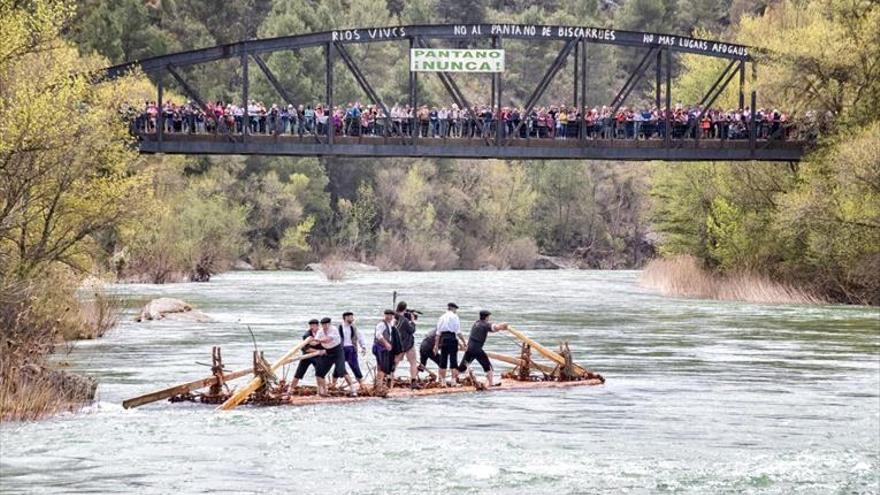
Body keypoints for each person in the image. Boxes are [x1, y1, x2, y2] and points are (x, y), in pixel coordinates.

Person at [457, 310, 508, 387]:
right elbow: (495, 327)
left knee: (462, 367)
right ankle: (491, 383)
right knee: (488, 366)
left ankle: (453, 380)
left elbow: (493, 329)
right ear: (487, 317)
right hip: (477, 349)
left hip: (469, 348)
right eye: (489, 317)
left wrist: (500, 329)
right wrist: (503, 325)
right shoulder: (485, 324)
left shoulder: (476, 323)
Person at [314, 317, 356, 397]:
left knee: (341, 370)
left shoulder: (334, 329)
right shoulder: (320, 331)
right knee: (319, 373)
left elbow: (327, 340)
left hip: (337, 351)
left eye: (327, 324)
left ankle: (353, 390)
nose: (325, 326)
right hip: (327, 352)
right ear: (321, 325)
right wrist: (311, 341)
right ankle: (323, 392)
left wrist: (317, 340)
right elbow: (315, 342)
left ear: (329, 324)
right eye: (323, 324)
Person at [287, 319, 325, 392]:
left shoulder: (322, 333)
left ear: (318, 326)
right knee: (299, 373)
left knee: (320, 373)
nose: (312, 327)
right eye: (311, 325)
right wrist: (318, 351)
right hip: (307, 356)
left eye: (314, 325)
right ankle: (290, 390)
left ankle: (321, 390)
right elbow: (306, 349)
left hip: (317, 357)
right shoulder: (307, 335)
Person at [434, 302, 463, 387]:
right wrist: (464, 342)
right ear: (453, 308)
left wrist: (436, 346)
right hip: (452, 338)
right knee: (453, 360)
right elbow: (458, 332)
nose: (456, 311)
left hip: (443, 339)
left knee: (443, 360)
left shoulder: (441, 317)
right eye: (455, 309)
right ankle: (453, 381)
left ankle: (443, 382)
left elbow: (438, 333)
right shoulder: (455, 317)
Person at [393, 301, 420, 389]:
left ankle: (389, 379)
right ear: (404, 309)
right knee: (413, 362)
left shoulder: (395, 317)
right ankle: (413, 382)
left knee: (395, 362)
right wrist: (412, 321)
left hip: (398, 343)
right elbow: (412, 330)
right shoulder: (404, 320)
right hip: (408, 343)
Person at [338, 311, 366, 387]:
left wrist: (363, 346)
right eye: (350, 317)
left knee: (355, 367)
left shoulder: (354, 327)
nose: (352, 319)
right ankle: (334, 384)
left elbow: (360, 336)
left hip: (351, 349)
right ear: (345, 318)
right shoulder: (340, 327)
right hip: (341, 349)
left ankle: (362, 384)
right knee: (339, 367)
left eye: (352, 317)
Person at [372, 309, 396, 387]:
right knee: (382, 367)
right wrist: (386, 343)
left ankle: (378, 384)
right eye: (388, 315)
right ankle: (379, 386)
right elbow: (378, 335)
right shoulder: (381, 324)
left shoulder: (390, 324)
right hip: (379, 347)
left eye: (391, 315)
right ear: (385, 315)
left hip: (383, 348)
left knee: (381, 366)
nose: (390, 317)